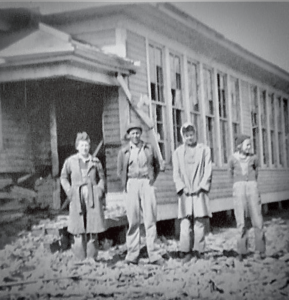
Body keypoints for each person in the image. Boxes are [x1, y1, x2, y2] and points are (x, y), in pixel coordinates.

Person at [117, 122, 164, 265]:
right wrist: (127, 183)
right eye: (132, 133)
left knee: (150, 219)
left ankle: (154, 254)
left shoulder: (149, 148)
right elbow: (120, 170)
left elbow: (156, 165)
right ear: (129, 135)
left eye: (137, 133)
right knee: (133, 220)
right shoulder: (124, 151)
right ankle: (132, 255)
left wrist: (151, 181)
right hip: (131, 184)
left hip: (146, 183)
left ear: (140, 134)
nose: (135, 135)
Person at [60, 132, 106, 261]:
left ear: (89, 147)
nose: (84, 148)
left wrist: (100, 190)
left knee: (93, 226)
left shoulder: (95, 161)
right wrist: (69, 191)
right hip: (76, 197)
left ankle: (92, 257)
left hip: (92, 196)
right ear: (77, 147)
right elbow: (63, 177)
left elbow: (102, 178)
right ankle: (79, 257)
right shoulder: (70, 161)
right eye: (82, 145)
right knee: (78, 227)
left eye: (86, 145)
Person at [172, 122, 212, 263]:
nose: (189, 138)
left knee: (199, 221)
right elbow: (175, 173)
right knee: (185, 222)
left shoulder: (204, 150)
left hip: (199, 190)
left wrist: (201, 186)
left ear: (196, 135)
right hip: (185, 192)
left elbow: (208, 170)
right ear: (183, 137)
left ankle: (199, 250)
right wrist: (182, 187)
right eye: (186, 135)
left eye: (191, 134)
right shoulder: (177, 152)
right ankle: (185, 250)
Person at [228, 134, 266, 261]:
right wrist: (237, 185)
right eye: (247, 144)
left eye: (250, 144)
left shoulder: (254, 158)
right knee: (241, 219)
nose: (249, 147)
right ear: (239, 146)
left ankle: (260, 250)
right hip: (238, 188)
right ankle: (242, 250)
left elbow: (256, 172)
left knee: (257, 218)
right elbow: (230, 174)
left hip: (252, 187)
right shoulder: (232, 159)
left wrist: (251, 183)